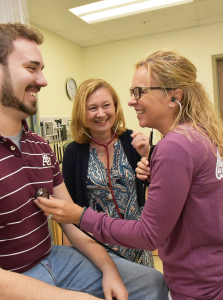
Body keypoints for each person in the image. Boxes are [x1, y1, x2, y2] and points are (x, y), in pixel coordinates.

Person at [0, 23, 168, 300]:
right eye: (31, 68)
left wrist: (109, 268)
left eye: (42, 70)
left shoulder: (39, 147)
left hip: (52, 259)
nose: (43, 80)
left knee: (151, 283)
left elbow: (72, 219)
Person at [35, 50, 223, 300]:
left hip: (204, 286)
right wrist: (157, 175)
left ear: (173, 97)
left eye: (140, 92)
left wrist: (80, 216)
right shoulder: (196, 134)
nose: (131, 101)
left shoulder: (174, 146)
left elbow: (149, 235)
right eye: (131, 92)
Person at [63, 78, 154, 267]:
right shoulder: (74, 152)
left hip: (137, 243)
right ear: (81, 112)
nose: (101, 114)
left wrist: (148, 155)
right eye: (92, 108)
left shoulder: (134, 142)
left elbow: (157, 186)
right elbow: (69, 208)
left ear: (115, 107)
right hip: (97, 250)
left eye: (106, 105)